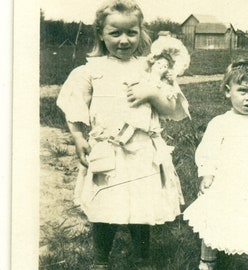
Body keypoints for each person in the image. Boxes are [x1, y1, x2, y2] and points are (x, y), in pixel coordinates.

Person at [56, 0, 190, 269]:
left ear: (142, 32)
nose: (124, 40)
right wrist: (79, 137)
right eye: (115, 33)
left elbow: (173, 109)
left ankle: (142, 260)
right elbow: (74, 107)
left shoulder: (151, 68)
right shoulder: (91, 70)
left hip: (142, 151)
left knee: (141, 206)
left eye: (131, 32)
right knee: (105, 204)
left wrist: (152, 93)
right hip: (108, 151)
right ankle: (101, 260)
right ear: (101, 34)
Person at [183, 59, 248, 270]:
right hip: (228, 183)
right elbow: (207, 152)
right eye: (243, 91)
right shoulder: (220, 123)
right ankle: (207, 259)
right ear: (228, 91)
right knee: (216, 218)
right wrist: (207, 174)